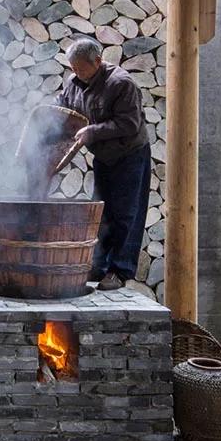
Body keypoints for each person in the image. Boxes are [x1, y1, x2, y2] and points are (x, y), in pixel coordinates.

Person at [59, 38, 151, 291]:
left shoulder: (121, 83)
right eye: (73, 68)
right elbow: (63, 106)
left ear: (97, 61)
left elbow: (129, 124)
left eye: (80, 68)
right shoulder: (74, 82)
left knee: (126, 214)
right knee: (101, 213)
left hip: (130, 156)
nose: (76, 72)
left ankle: (119, 271)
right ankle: (97, 266)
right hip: (103, 157)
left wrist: (93, 132)